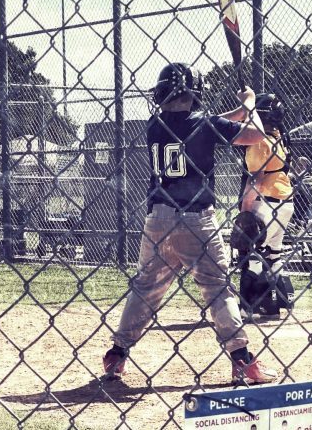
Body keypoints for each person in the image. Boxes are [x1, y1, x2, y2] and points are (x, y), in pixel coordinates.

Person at [101, 62, 277, 386]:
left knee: (145, 288)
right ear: (195, 94)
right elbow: (256, 134)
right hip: (197, 221)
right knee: (217, 288)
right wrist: (250, 105)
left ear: (161, 93)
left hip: (157, 220)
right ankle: (242, 361)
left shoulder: (156, 125)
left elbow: (205, 124)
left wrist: (237, 110)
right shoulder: (205, 125)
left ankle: (116, 355)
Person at [236, 93, 295, 319]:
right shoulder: (280, 137)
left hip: (266, 202)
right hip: (286, 202)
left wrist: (245, 210)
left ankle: (247, 307)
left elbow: (256, 180)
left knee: (253, 255)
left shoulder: (259, 141)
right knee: (273, 255)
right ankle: (277, 303)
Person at [289, 156, 312, 229]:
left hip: (304, 207)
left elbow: (309, 190)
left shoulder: (309, 178)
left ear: (307, 168)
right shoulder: (292, 177)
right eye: (298, 164)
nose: (299, 167)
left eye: (302, 165)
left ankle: (300, 224)